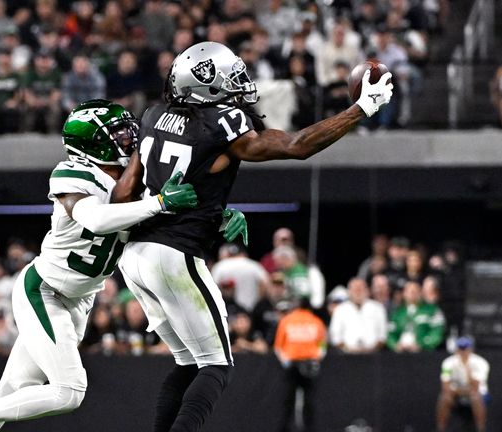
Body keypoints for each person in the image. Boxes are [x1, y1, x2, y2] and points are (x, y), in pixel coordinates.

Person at [112, 41, 392, 432]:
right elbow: (297, 146)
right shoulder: (220, 123)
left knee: (188, 362)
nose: (238, 85)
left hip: (135, 256)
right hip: (173, 253)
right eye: (228, 80)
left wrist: (211, 211)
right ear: (202, 86)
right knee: (216, 365)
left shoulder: (154, 113)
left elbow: (124, 193)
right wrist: (360, 109)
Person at [0, 100, 200, 432]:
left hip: (80, 299)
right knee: (69, 391)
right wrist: (159, 202)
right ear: (93, 141)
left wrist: (216, 217)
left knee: (11, 391)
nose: (130, 139)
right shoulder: (73, 172)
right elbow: (95, 218)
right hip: (44, 291)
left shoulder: (136, 181)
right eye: (120, 134)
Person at [274, 298, 326, 432]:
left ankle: (285, 428)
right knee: (310, 401)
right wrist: (316, 359)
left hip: (291, 364)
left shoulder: (287, 321)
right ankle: (310, 428)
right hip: (310, 364)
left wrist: (285, 362)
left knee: (287, 400)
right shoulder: (316, 321)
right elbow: (322, 346)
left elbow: (278, 347)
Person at [436, 337, 489, 432]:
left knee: (475, 397)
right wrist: (458, 391)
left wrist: (467, 370)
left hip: (476, 393)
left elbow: (475, 387)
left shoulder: (481, 363)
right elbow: (445, 386)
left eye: (465, 348)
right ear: (456, 349)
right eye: (460, 348)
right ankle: (441, 429)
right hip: (456, 392)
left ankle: (481, 429)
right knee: (445, 397)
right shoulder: (448, 363)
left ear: (471, 349)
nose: (463, 352)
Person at [328, 278, 387, 354]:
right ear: (349, 291)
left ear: (367, 290)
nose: (358, 293)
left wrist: (372, 349)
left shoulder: (378, 308)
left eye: (360, 289)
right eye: (355, 290)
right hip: (346, 356)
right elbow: (335, 336)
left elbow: (382, 335)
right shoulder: (340, 309)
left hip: (373, 355)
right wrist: (348, 349)